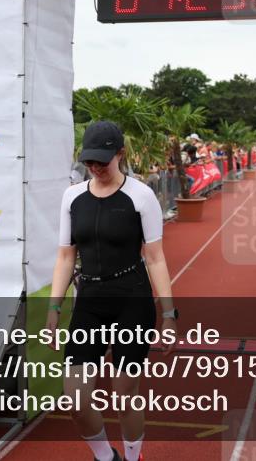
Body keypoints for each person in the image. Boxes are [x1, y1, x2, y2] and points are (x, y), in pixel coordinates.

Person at [45, 121, 177, 461]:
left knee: (124, 394)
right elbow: (65, 256)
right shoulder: (72, 197)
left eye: (102, 161)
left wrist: (169, 314)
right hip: (89, 303)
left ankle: (133, 457)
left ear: (120, 154)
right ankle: (106, 457)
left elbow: (155, 258)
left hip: (132, 299)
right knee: (75, 399)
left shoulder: (141, 196)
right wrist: (53, 308)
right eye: (89, 161)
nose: (95, 167)